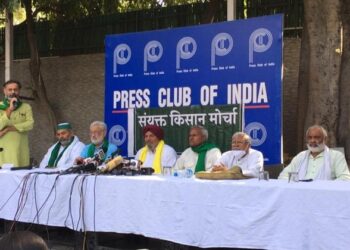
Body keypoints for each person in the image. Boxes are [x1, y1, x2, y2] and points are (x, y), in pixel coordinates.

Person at [278, 125, 350, 180]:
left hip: (325, 195)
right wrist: (296, 185)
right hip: (300, 194)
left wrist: (325, 187)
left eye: (317, 137)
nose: (312, 140)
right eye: (310, 137)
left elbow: (345, 178)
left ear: (325, 139)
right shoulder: (301, 156)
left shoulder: (336, 156)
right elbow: (283, 176)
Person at [0, 80, 34, 167]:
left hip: (20, 149)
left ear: (19, 91)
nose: (13, 92)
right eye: (10, 89)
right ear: (4, 91)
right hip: (3, 149)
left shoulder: (26, 107)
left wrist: (7, 129)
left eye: (15, 89)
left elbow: (30, 124)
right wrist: (10, 109)